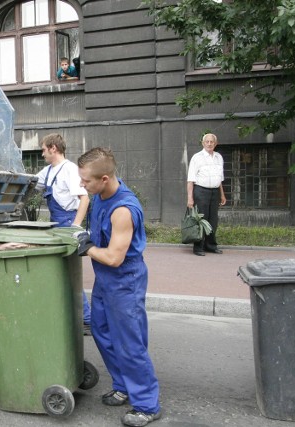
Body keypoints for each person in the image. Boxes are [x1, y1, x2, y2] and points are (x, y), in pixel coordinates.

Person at [77, 147, 161, 427]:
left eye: (86, 180)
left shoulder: (123, 209)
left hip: (125, 279)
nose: (82, 185)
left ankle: (147, 404)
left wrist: (87, 248)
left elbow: (114, 257)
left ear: (104, 178)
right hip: (105, 280)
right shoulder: (100, 196)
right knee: (101, 332)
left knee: (130, 343)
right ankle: (123, 385)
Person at [35, 134, 92, 334]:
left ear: (53, 148)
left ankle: (87, 319)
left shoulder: (69, 170)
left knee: (69, 273)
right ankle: (74, 315)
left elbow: (84, 199)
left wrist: (75, 226)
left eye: (43, 150)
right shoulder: (48, 172)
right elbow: (32, 183)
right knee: (61, 273)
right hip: (56, 223)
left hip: (67, 222)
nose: (42, 154)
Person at [187, 133, 227, 256]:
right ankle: (198, 247)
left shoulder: (219, 157)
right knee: (201, 220)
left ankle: (210, 245)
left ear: (215, 144)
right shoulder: (197, 157)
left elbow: (219, 179)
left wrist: (222, 195)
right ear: (203, 143)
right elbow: (190, 179)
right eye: (207, 142)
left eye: (212, 142)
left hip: (215, 192)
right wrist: (190, 198)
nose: (209, 144)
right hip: (200, 191)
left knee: (213, 220)